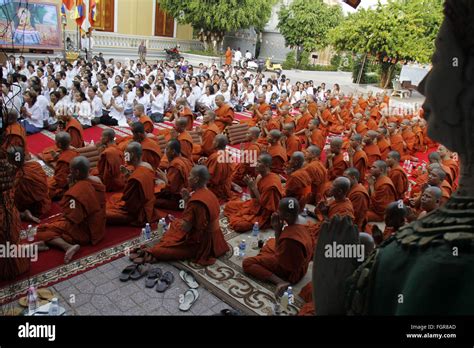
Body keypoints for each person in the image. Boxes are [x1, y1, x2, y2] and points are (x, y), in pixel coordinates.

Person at [136, 166, 229, 265]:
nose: (188, 178)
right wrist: (186, 201)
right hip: (216, 237)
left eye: (190, 176)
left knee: (160, 250)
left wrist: (187, 204)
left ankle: (151, 252)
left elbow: (186, 228)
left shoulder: (196, 202)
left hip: (202, 243)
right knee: (176, 224)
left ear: (196, 179)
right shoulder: (210, 194)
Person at [36, 156, 106, 264]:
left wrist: (71, 189)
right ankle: (46, 243)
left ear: (77, 172)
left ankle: (68, 246)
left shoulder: (77, 191)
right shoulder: (97, 180)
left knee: (42, 230)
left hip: (86, 232)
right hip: (99, 226)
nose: (69, 172)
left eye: (71, 170)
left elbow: (72, 217)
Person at [242, 197, 313, 293]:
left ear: (287, 215)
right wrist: (278, 230)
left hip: (290, 273)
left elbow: (281, 260)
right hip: (300, 266)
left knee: (247, 263)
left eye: (279, 210)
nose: (277, 212)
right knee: (271, 241)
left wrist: (277, 231)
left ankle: (280, 282)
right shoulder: (303, 224)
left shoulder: (290, 239)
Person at [224, 153, 284, 232]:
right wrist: (249, 185)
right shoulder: (259, 176)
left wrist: (253, 187)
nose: (256, 164)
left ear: (266, 165)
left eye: (259, 162)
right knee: (229, 205)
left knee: (239, 225)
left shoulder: (271, 185)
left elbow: (266, 206)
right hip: (255, 205)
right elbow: (253, 197)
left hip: (264, 213)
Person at [106, 142, 159, 226]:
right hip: (147, 204)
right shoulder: (147, 166)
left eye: (126, 154)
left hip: (137, 213)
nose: (124, 157)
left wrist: (129, 178)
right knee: (114, 198)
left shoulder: (136, 177)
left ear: (133, 155)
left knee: (105, 215)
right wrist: (128, 175)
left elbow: (130, 203)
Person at [8, 146, 50, 223]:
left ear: (10, 161)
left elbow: (17, 199)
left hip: (31, 207)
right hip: (44, 201)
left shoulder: (18, 177)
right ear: (24, 156)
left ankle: (23, 215)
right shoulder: (35, 165)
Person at [155, 139, 193, 210]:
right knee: (157, 195)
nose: (165, 151)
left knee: (153, 201)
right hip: (188, 195)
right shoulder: (186, 160)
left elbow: (171, 189)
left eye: (167, 149)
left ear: (173, 152)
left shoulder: (175, 165)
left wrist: (164, 178)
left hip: (180, 200)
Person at [201, 135, 234, 201]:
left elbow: (211, 178)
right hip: (226, 185)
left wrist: (203, 166)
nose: (212, 142)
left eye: (214, 140)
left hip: (216, 189)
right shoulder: (228, 154)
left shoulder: (215, 157)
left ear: (217, 144)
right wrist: (206, 162)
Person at [48, 132, 79, 200]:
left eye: (55, 141)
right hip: (77, 180)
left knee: (45, 188)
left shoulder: (63, 161)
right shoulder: (75, 152)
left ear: (59, 144)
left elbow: (61, 182)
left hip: (68, 186)